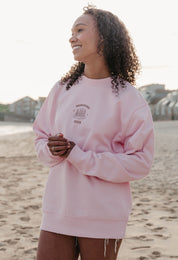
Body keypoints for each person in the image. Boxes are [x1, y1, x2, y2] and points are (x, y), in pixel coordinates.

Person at [33, 5, 154, 260]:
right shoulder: (61, 89)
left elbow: (140, 163)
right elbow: (40, 138)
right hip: (59, 209)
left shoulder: (129, 99)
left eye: (80, 30)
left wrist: (80, 156)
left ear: (104, 37)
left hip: (103, 215)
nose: (72, 37)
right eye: (71, 31)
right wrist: (51, 150)